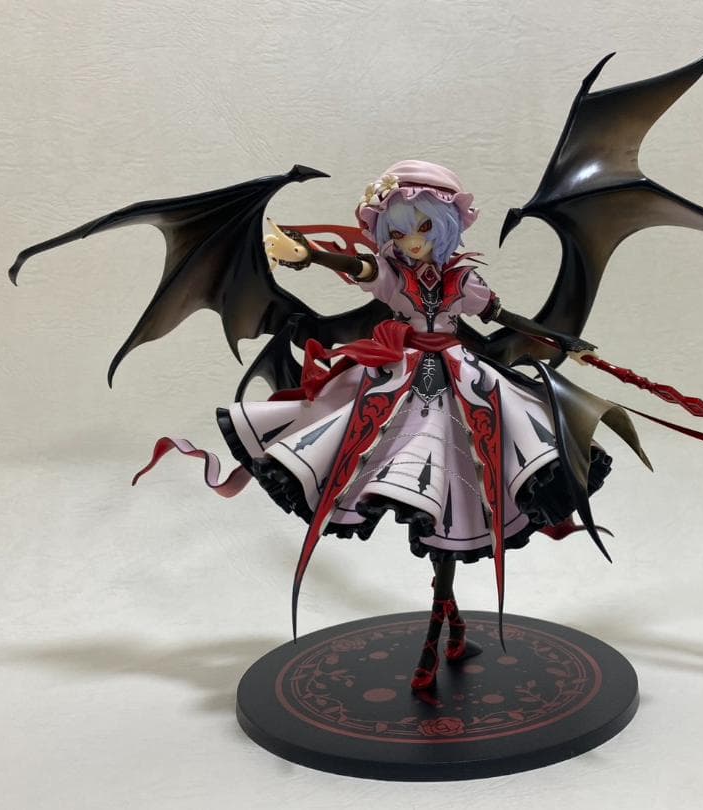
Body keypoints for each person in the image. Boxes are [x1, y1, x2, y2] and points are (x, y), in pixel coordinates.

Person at [224, 160, 613, 689]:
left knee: (467, 486)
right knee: (403, 482)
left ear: (447, 226)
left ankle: (446, 635)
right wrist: (311, 255)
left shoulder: (463, 281)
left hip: (462, 379)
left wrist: (564, 341)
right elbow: (360, 267)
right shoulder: (395, 277)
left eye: (425, 227)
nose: (412, 241)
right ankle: (444, 636)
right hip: (399, 379)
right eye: (400, 231)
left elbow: (503, 317)